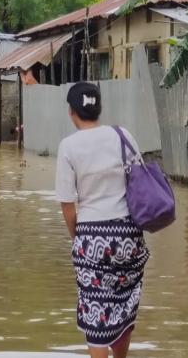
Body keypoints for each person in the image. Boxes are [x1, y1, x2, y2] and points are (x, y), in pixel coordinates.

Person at [55, 82, 149, 358]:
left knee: (96, 315)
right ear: (99, 109)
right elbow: (140, 183)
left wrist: (79, 239)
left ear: (71, 112)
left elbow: (67, 204)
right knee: (124, 307)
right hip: (129, 235)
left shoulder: (68, 146)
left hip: (92, 235)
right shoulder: (122, 135)